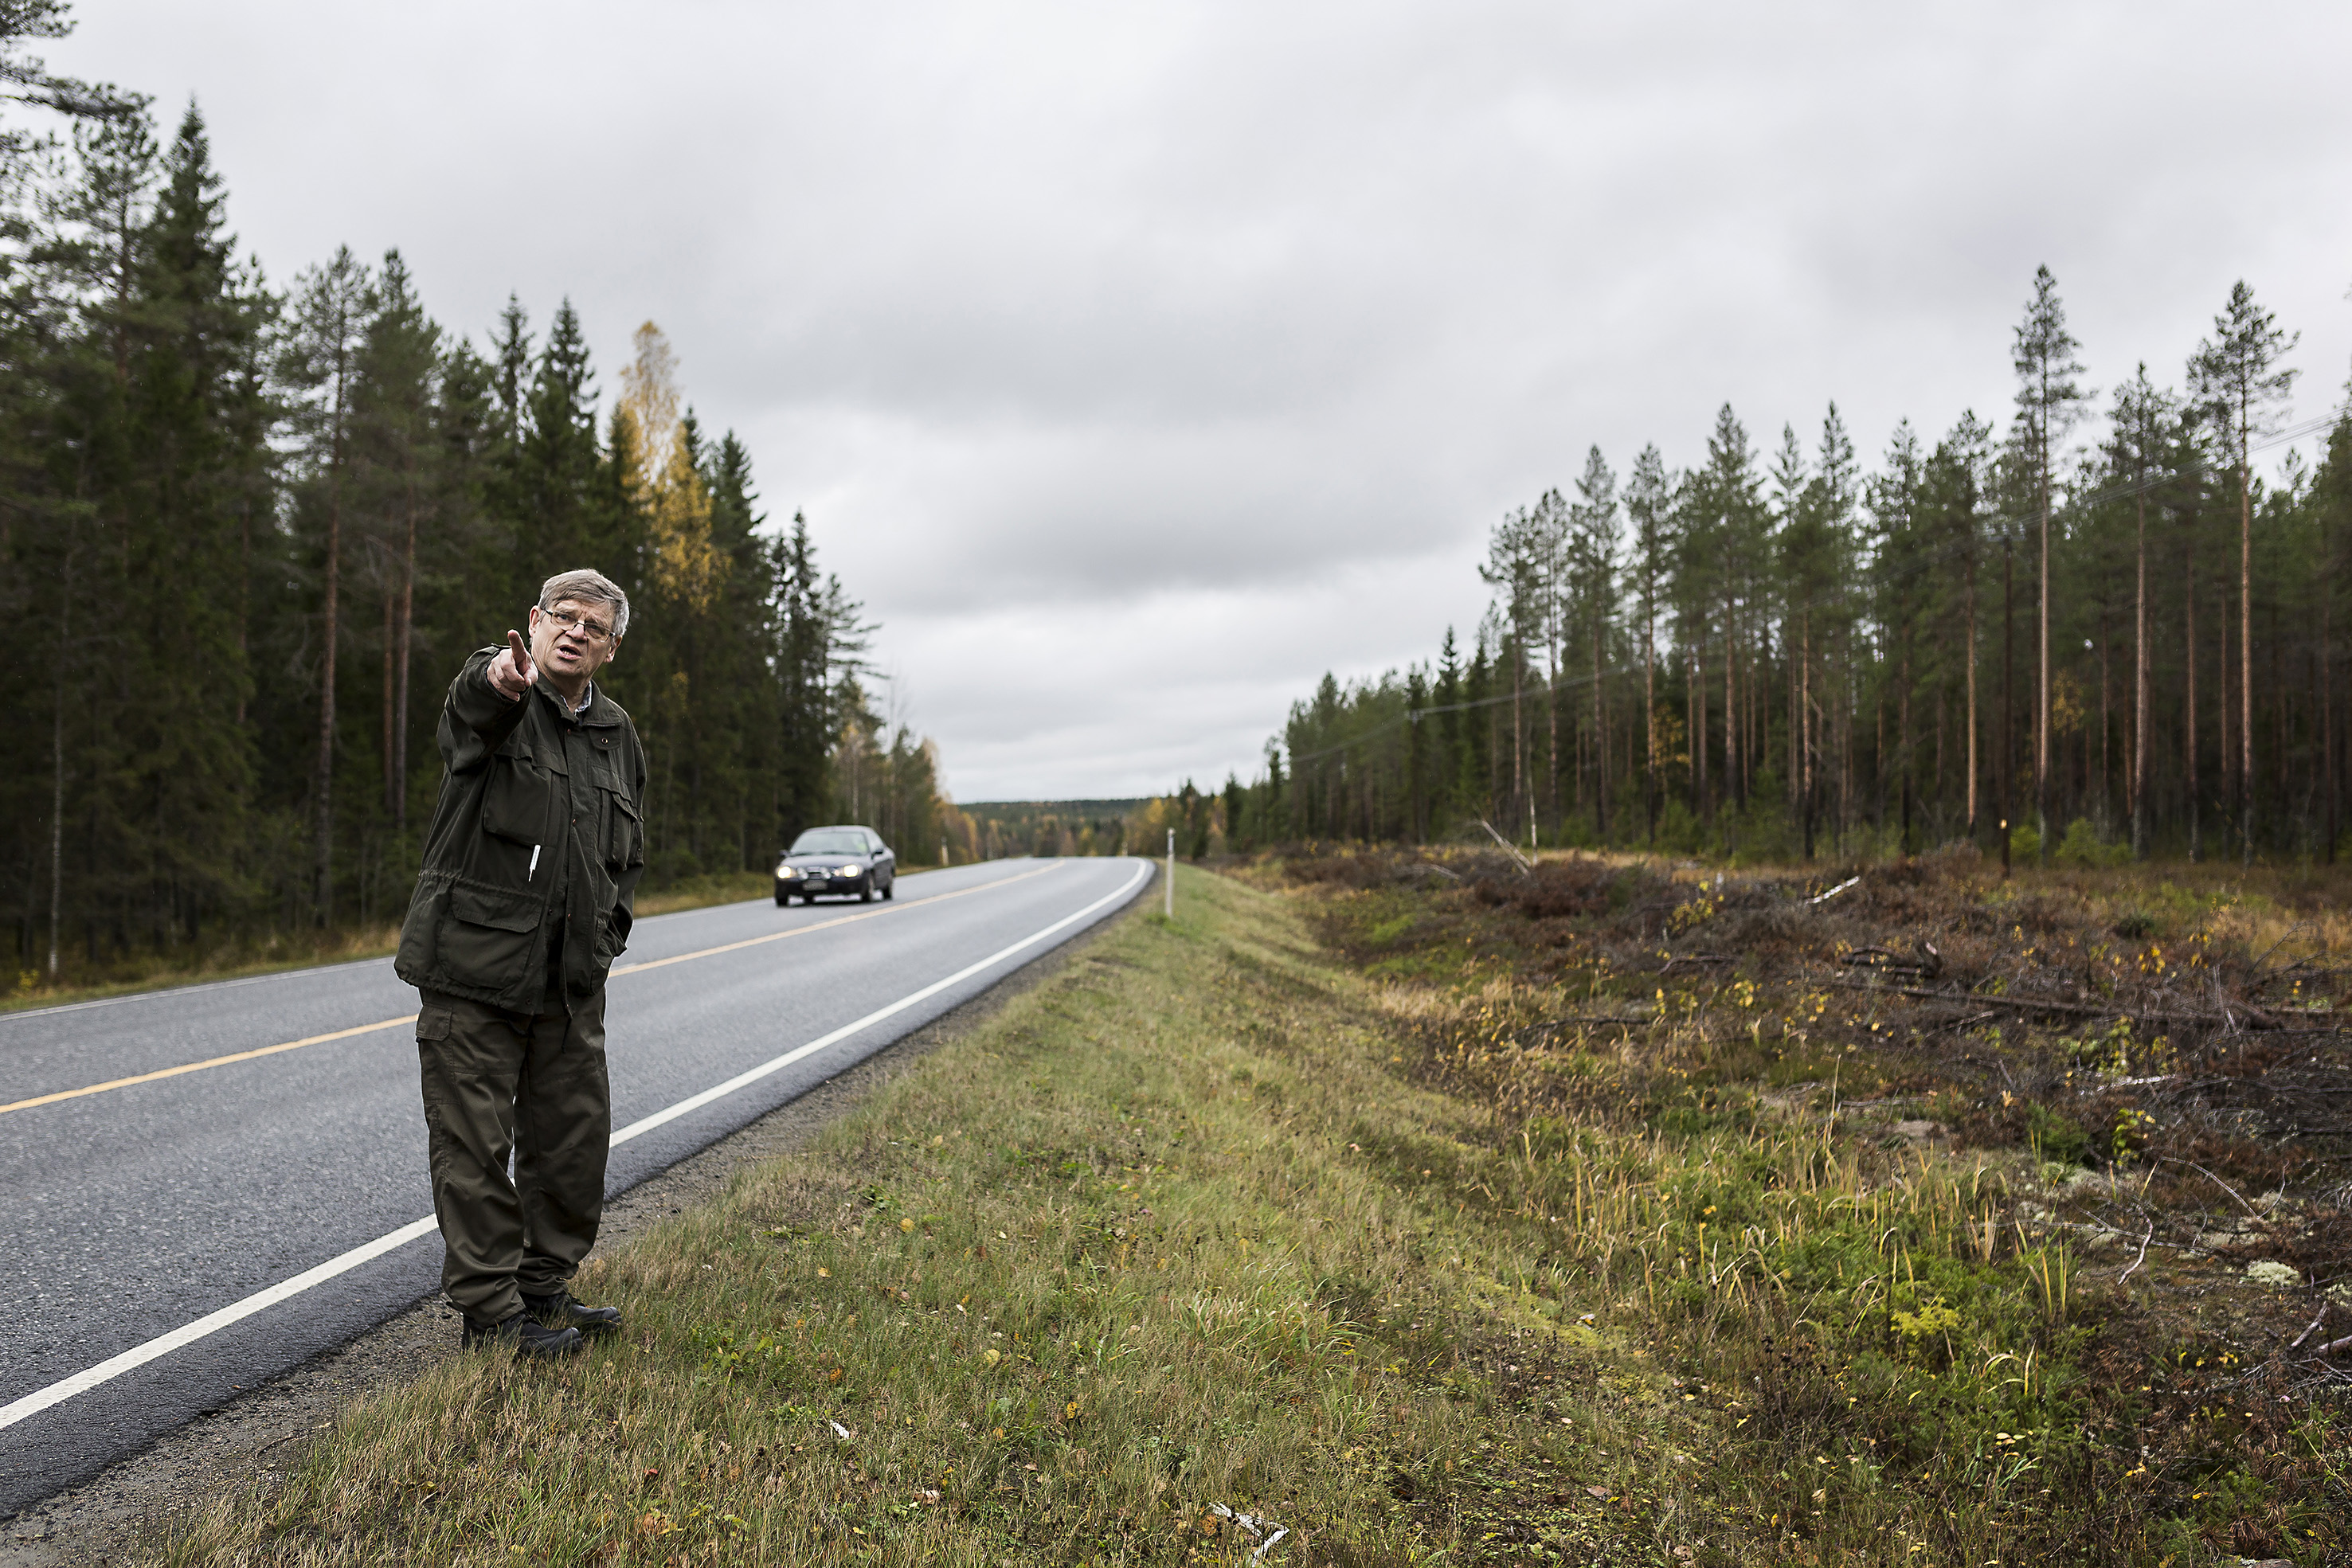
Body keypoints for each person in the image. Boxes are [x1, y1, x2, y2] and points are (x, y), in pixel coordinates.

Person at [395, 569, 648, 1357]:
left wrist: (608, 935)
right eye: (562, 617)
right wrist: (497, 677)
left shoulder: (617, 734)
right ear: (533, 623)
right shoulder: (501, 702)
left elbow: (625, 854)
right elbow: (473, 701)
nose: (575, 631)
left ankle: (544, 1289)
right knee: (474, 1150)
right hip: (474, 973)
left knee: (573, 1143)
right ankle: (493, 1316)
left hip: (570, 981)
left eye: (593, 626)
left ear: (610, 648)